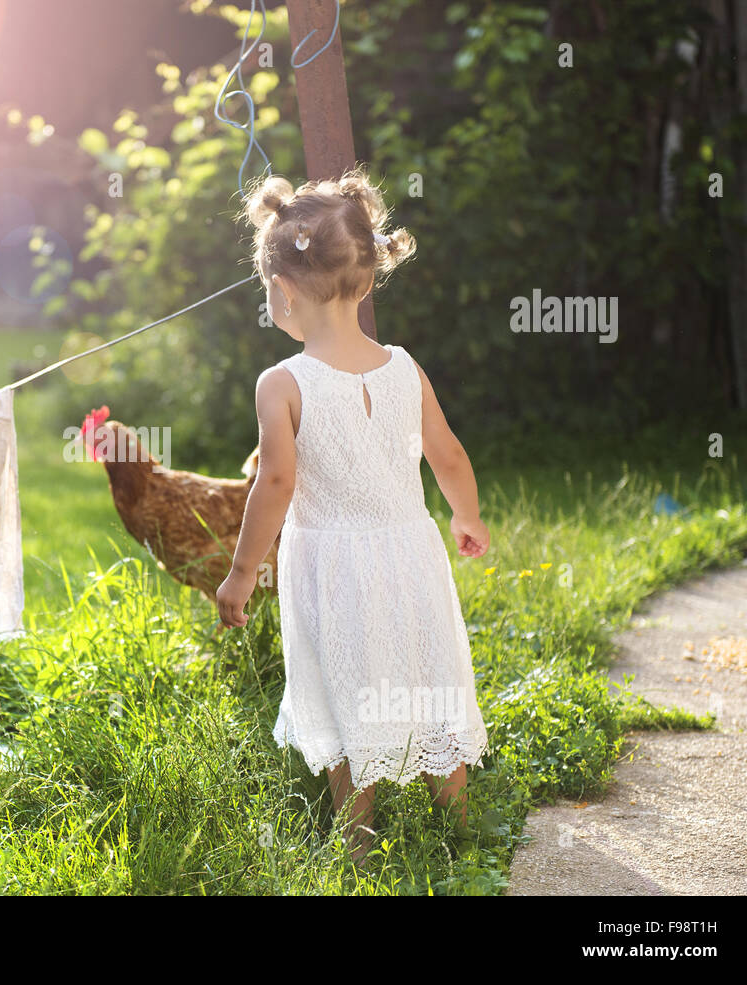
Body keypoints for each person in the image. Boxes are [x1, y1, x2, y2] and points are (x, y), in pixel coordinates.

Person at [216, 167, 490, 865]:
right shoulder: (404, 366)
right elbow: (449, 454)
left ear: (279, 291)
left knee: (347, 686)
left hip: (332, 565)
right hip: (410, 557)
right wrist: (467, 517)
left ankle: (358, 839)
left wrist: (242, 572)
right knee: (426, 675)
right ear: (368, 279)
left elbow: (274, 482)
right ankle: (457, 824)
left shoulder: (282, 384)